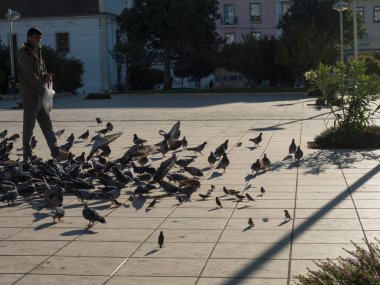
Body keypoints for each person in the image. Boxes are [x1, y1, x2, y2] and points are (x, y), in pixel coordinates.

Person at [17, 27, 68, 162]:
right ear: (29, 38)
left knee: (47, 126)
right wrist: (42, 89)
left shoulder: (37, 52)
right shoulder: (24, 54)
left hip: (41, 95)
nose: (38, 41)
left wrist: (46, 76)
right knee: (29, 128)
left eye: (40, 38)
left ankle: (56, 153)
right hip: (31, 96)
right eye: (36, 38)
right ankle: (27, 156)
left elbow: (41, 71)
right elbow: (30, 76)